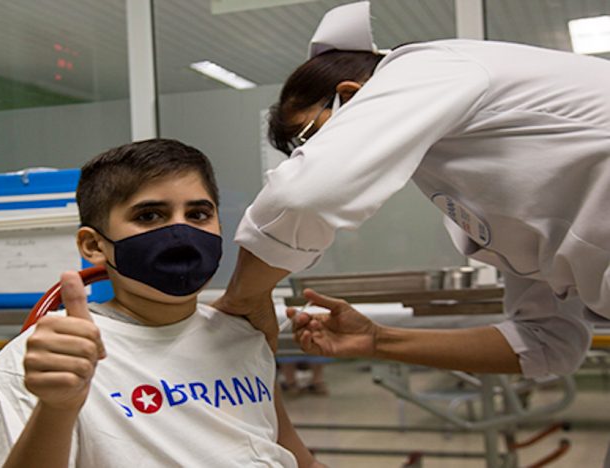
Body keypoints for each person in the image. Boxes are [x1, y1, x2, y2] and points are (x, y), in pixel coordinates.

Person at [213, 1, 610, 380]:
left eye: (311, 138)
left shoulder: (427, 66)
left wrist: (242, 298)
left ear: (351, 95)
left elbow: (305, 196)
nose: (316, 155)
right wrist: (376, 340)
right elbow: (548, 344)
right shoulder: (471, 177)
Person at [0, 139, 323, 468]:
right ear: (94, 246)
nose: (180, 231)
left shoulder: (242, 334)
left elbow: (292, 455)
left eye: (198, 214)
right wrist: (57, 408)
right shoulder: (47, 360)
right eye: (149, 216)